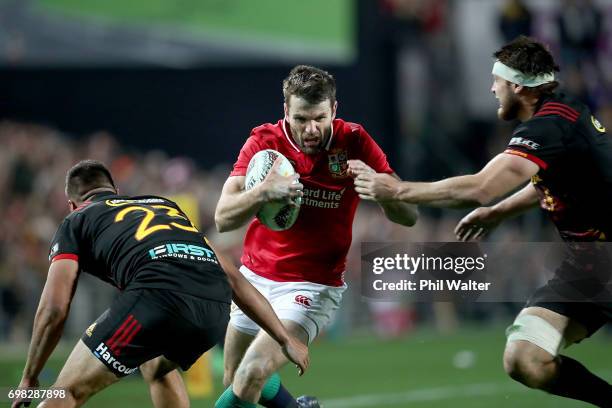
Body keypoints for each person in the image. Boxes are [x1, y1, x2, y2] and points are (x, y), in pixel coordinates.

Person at [354, 36, 612, 406]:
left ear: (518, 86)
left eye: (497, 81)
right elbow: (554, 181)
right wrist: (499, 212)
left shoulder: (547, 127)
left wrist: (396, 191)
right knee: (525, 359)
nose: (492, 88)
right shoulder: (561, 114)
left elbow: (480, 187)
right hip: (590, 267)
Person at [12, 160, 309, 408]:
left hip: (158, 297)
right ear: (117, 192)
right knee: (155, 366)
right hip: (214, 307)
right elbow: (232, 276)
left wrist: (29, 377)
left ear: (71, 204)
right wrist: (284, 338)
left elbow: (53, 308)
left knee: (65, 392)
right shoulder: (163, 206)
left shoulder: (76, 219)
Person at [214, 65, 418, 408]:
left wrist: (383, 192)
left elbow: (409, 216)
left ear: (334, 110)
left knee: (252, 374)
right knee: (235, 376)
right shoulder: (264, 143)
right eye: (301, 118)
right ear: (285, 111)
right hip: (254, 277)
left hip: (312, 286)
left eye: (320, 118)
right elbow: (223, 218)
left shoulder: (354, 141)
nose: (311, 129)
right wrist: (262, 193)